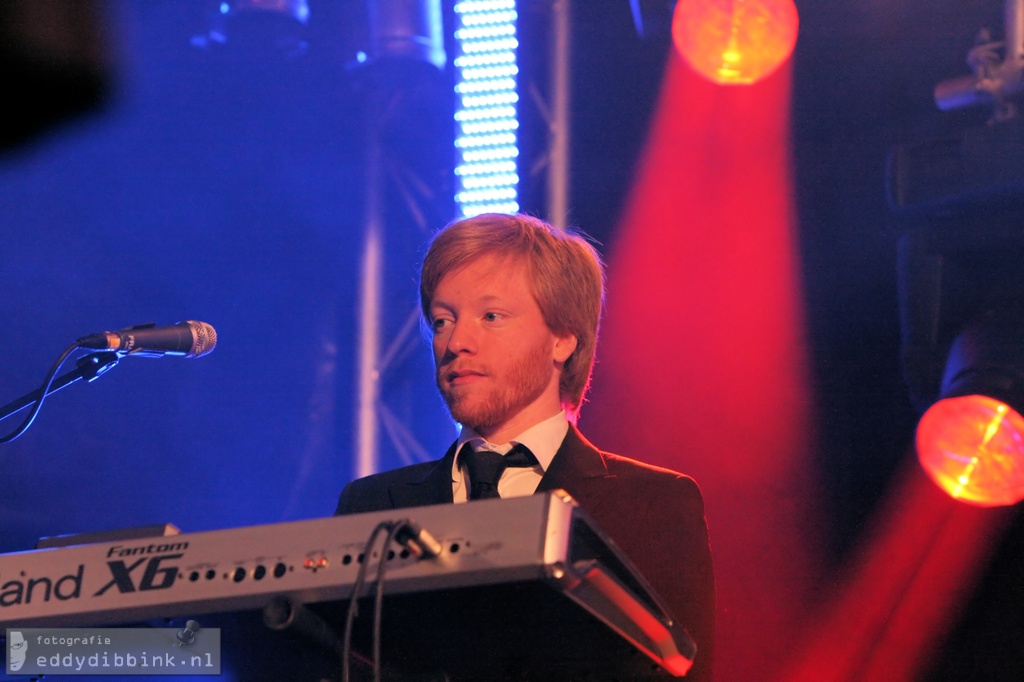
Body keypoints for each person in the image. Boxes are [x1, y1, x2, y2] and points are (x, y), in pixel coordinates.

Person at [336, 213, 715, 680]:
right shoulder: (370, 505)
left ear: (563, 339)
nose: (456, 341)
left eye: (491, 316)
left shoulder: (653, 505)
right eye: (442, 320)